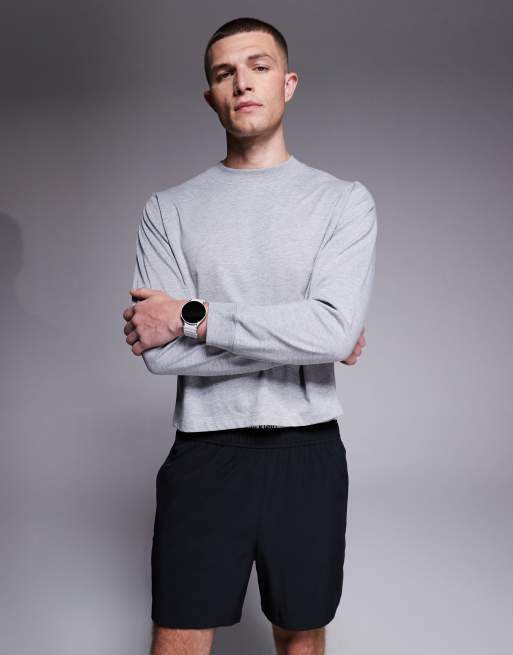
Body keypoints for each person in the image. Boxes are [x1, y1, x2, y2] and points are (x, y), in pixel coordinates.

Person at [122, 16, 377, 655]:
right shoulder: (168, 209)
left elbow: (328, 332)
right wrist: (305, 337)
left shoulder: (343, 202)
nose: (242, 83)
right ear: (211, 95)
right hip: (204, 455)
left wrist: (192, 316)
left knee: (301, 636)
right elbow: (161, 357)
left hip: (307, 454)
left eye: (259, 67)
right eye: (224, 73)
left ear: (287, 84)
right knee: (178, 636)